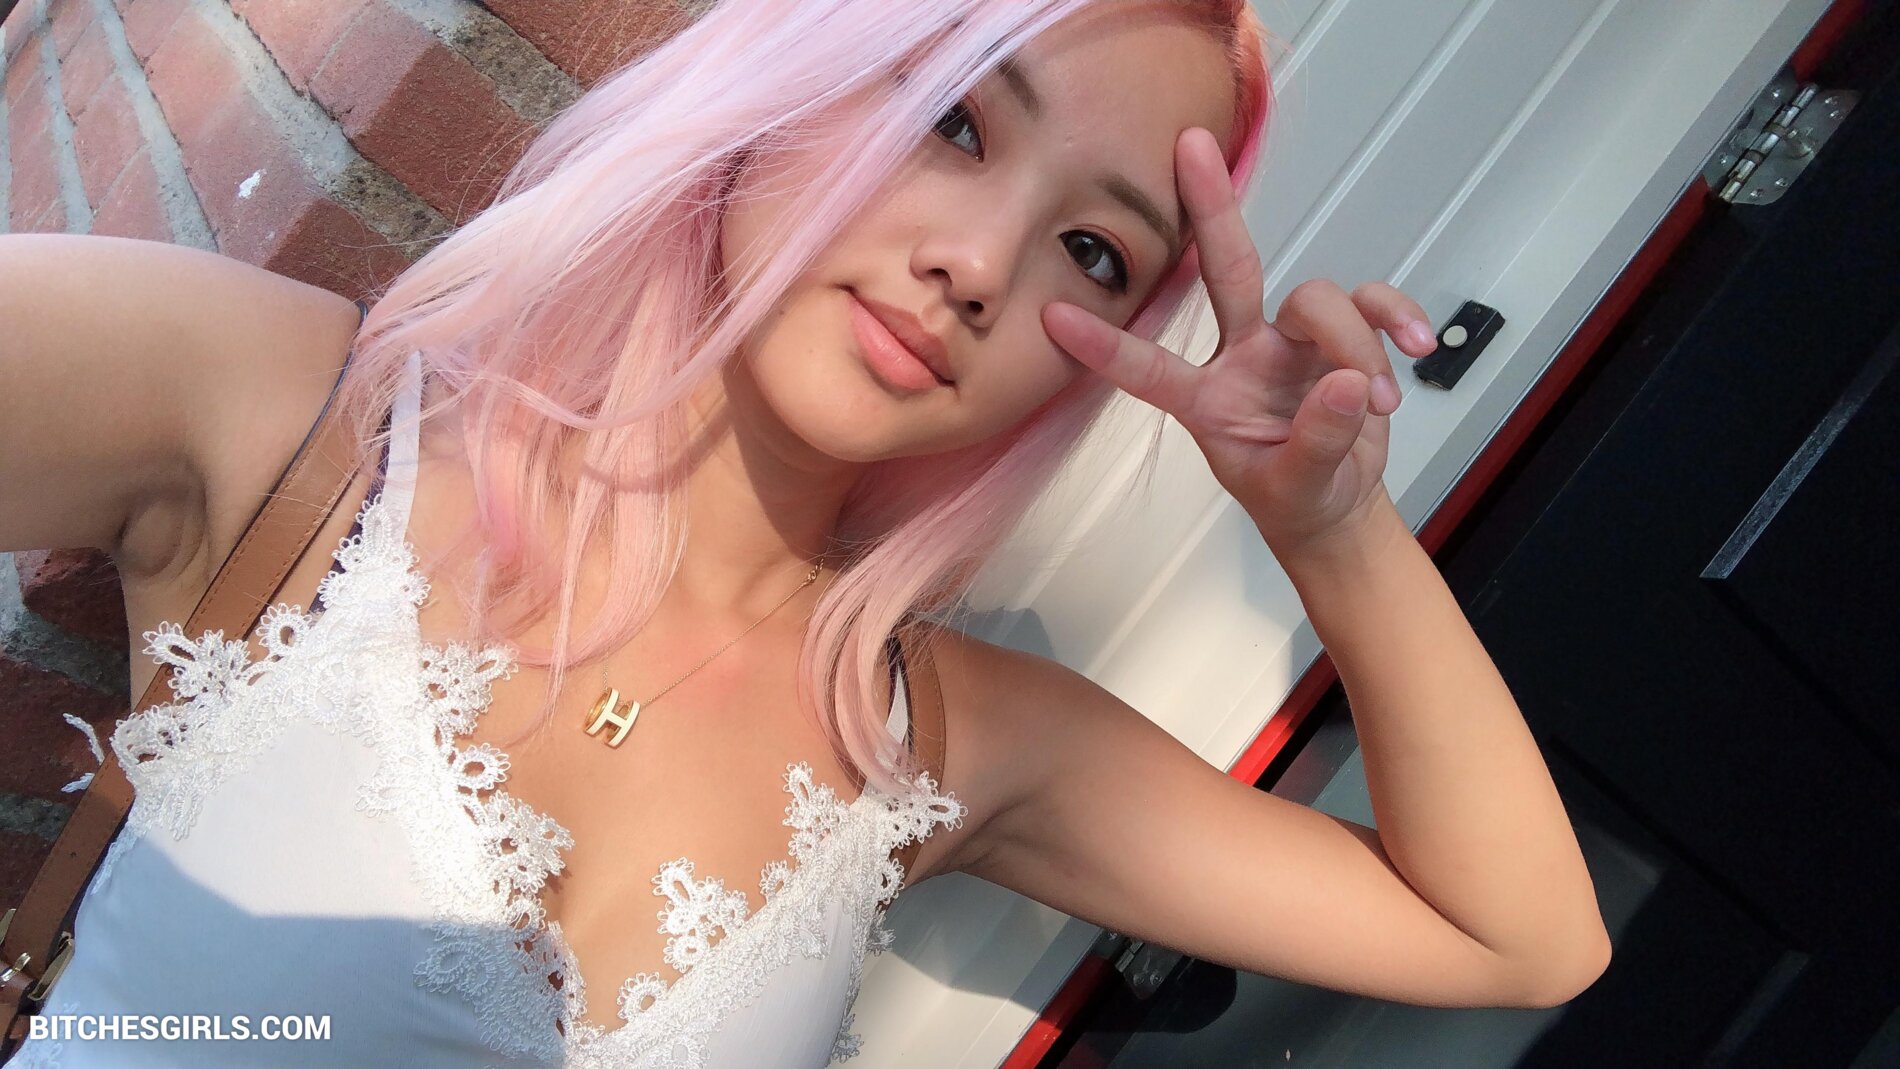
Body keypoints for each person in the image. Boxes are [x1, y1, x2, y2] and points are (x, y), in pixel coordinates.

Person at [0, 0, 1611, 1065]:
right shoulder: (279, 416)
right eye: (958, 121)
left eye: (1095, 253)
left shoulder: (937, 739)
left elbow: (1516, 935)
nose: (981, 264)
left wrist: (1331, 527)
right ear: (797, 78)